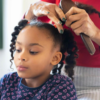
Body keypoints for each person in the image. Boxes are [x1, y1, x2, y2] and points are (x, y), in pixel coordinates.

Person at [24, 0, 100, 100]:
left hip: (94, 87)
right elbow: (22, 37)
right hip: (51, 82)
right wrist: (31, 11)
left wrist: (96, 33)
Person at [0, 19, 78, 100]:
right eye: (18, 50)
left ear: (55, 58)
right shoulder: (7, 81)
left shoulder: (62, 86)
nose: (21, 56)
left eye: (33, 51)